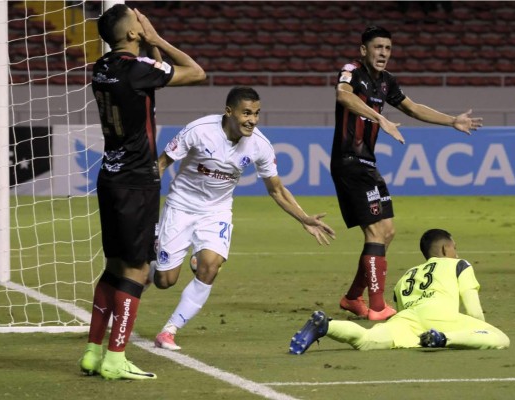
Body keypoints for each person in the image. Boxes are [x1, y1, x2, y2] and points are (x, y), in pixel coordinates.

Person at [149, 86, 336, 351]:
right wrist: (142, 206)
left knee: (210, 267)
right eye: (246, 113)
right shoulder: (199, 130)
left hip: (217, 211)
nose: (253, 120)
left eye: (257, 113)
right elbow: (160, 164)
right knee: (165, 281)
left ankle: (169, 330)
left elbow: (277, 189)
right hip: (181, 205)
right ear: (229, 112)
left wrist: (303, 218)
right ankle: (153, 263)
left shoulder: (260, 144)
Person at [78, 4, 206, 381]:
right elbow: (197, 72)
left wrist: (146, 47)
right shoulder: (138, 71)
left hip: (110, 175)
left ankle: (92, 352)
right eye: (138, 22)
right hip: (137, 179)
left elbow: (150, 74)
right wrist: (157, 40)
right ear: (133, 34)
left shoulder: (101, 68)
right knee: (137, 270)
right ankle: (116, 358)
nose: (143, 24)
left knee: (115, 267)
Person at [332, 26, 483, 321]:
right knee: (376, 231)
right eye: (377, 48)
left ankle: (352, 298)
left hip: (367, 163)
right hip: (348, 161)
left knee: (386, 232)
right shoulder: (352, 71)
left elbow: (412, 108)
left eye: (387, 49)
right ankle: (376, 306)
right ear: (364, 50)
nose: (383, 54)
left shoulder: (387, 82)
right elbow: (343, 97)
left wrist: (452, 120)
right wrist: (379, 118)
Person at [289, 228, 510, 354]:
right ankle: (443, 339)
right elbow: (474, 313)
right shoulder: (459, 264)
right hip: (441, 317)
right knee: (500, 338)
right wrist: (475, 329)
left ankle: (326, 326)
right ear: (445, 249)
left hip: (406, 319)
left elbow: (405, 308)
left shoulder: (406, 276)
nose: (456, 251)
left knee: (366, 339)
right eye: (455, 247)